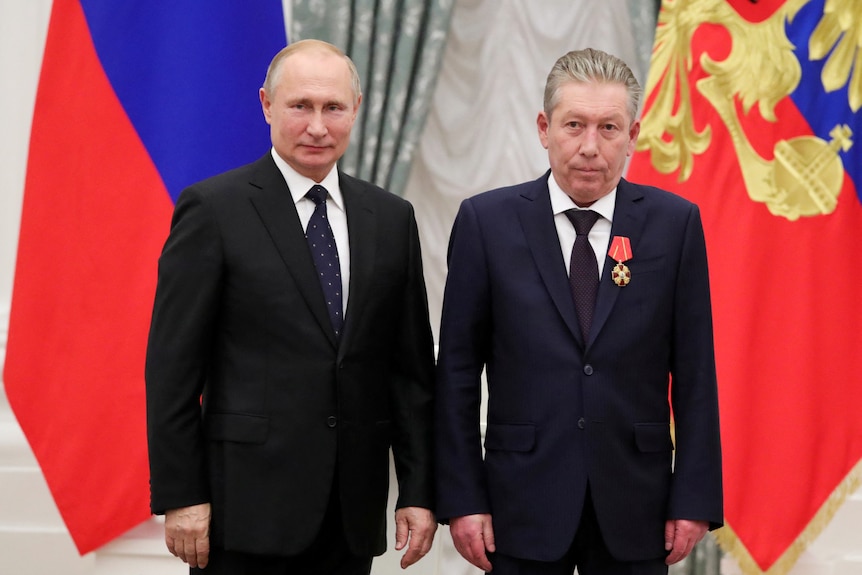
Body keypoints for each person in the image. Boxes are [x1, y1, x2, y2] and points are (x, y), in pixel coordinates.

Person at [145, 39, 437, 575]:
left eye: (333, 108)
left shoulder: (392, 219)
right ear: (266, 105)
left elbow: (411, 373)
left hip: (351, 514)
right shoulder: (213, 210)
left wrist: (418, 490)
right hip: (244, 513)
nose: (318, 126)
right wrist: (181, 495)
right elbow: (172, 370)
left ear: (358, 108)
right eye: (301, 106)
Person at [434, 47, 722, 575]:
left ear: (633, 136)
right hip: (519, 501)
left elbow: (696, 373)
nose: (590, 147)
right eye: (574, 125)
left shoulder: (675, 224)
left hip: (638, 504)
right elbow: (455, 374)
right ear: (545, 128)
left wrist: (695, 497)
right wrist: (462, 497)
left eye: (609, 128)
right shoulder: (486, 223)